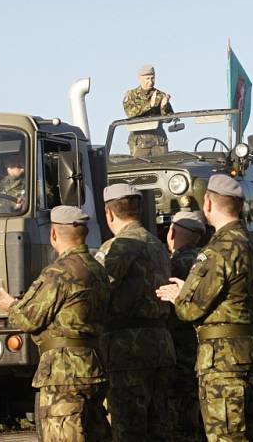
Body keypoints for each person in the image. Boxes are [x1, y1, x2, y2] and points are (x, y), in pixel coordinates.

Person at [156, 174, 253, 442]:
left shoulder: (217, 249)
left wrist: (179, 296)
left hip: (222, 359)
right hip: (249, 349)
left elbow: (189, 310)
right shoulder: (252, 244)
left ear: (208, 203)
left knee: (227, 434)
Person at [0, 206, 110, 442]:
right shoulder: (96, 269)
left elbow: (29, 319)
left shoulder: (59, 272)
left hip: (63, 372)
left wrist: (11, 306)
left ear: (53, 234)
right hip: (93, 365)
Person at [96, 183, 176, 442]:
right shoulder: (157, 245)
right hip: (160, 344)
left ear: (109, 214)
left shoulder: (118, 246)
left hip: (127, 349)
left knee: (128, 429)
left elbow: (95, 289)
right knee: (159, 428)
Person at [165, 211, 208, 442]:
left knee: (182, 413)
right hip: (204, 346)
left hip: (180, 347)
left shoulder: (174, 264)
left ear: (172, 233)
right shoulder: (207, 260)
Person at [122, 64, 174, 158]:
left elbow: (168, 119)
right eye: (147, 78)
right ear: (140, 78)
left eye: (152, 78)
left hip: (158, 142)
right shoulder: (131, 95)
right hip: (139, 144)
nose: (150, 82)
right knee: (139, 169)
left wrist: (163, 106)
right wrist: (150, 105)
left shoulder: (160, 95)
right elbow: (131, 113)